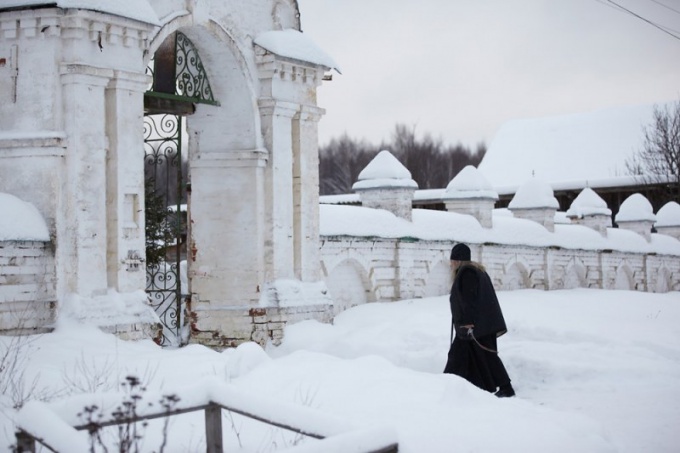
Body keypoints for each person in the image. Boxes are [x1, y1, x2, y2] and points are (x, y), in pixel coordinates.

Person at [443, 243, 515, 397]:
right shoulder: (475, 271)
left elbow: (469, 300)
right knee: (470, 357)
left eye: (453, 260)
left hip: (474, 327)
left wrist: (467, 323)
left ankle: (506, 388)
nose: (451, 263)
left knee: (478, 356)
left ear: (458, 260)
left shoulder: (467, 273)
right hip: (480, 326)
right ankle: (462, 387)